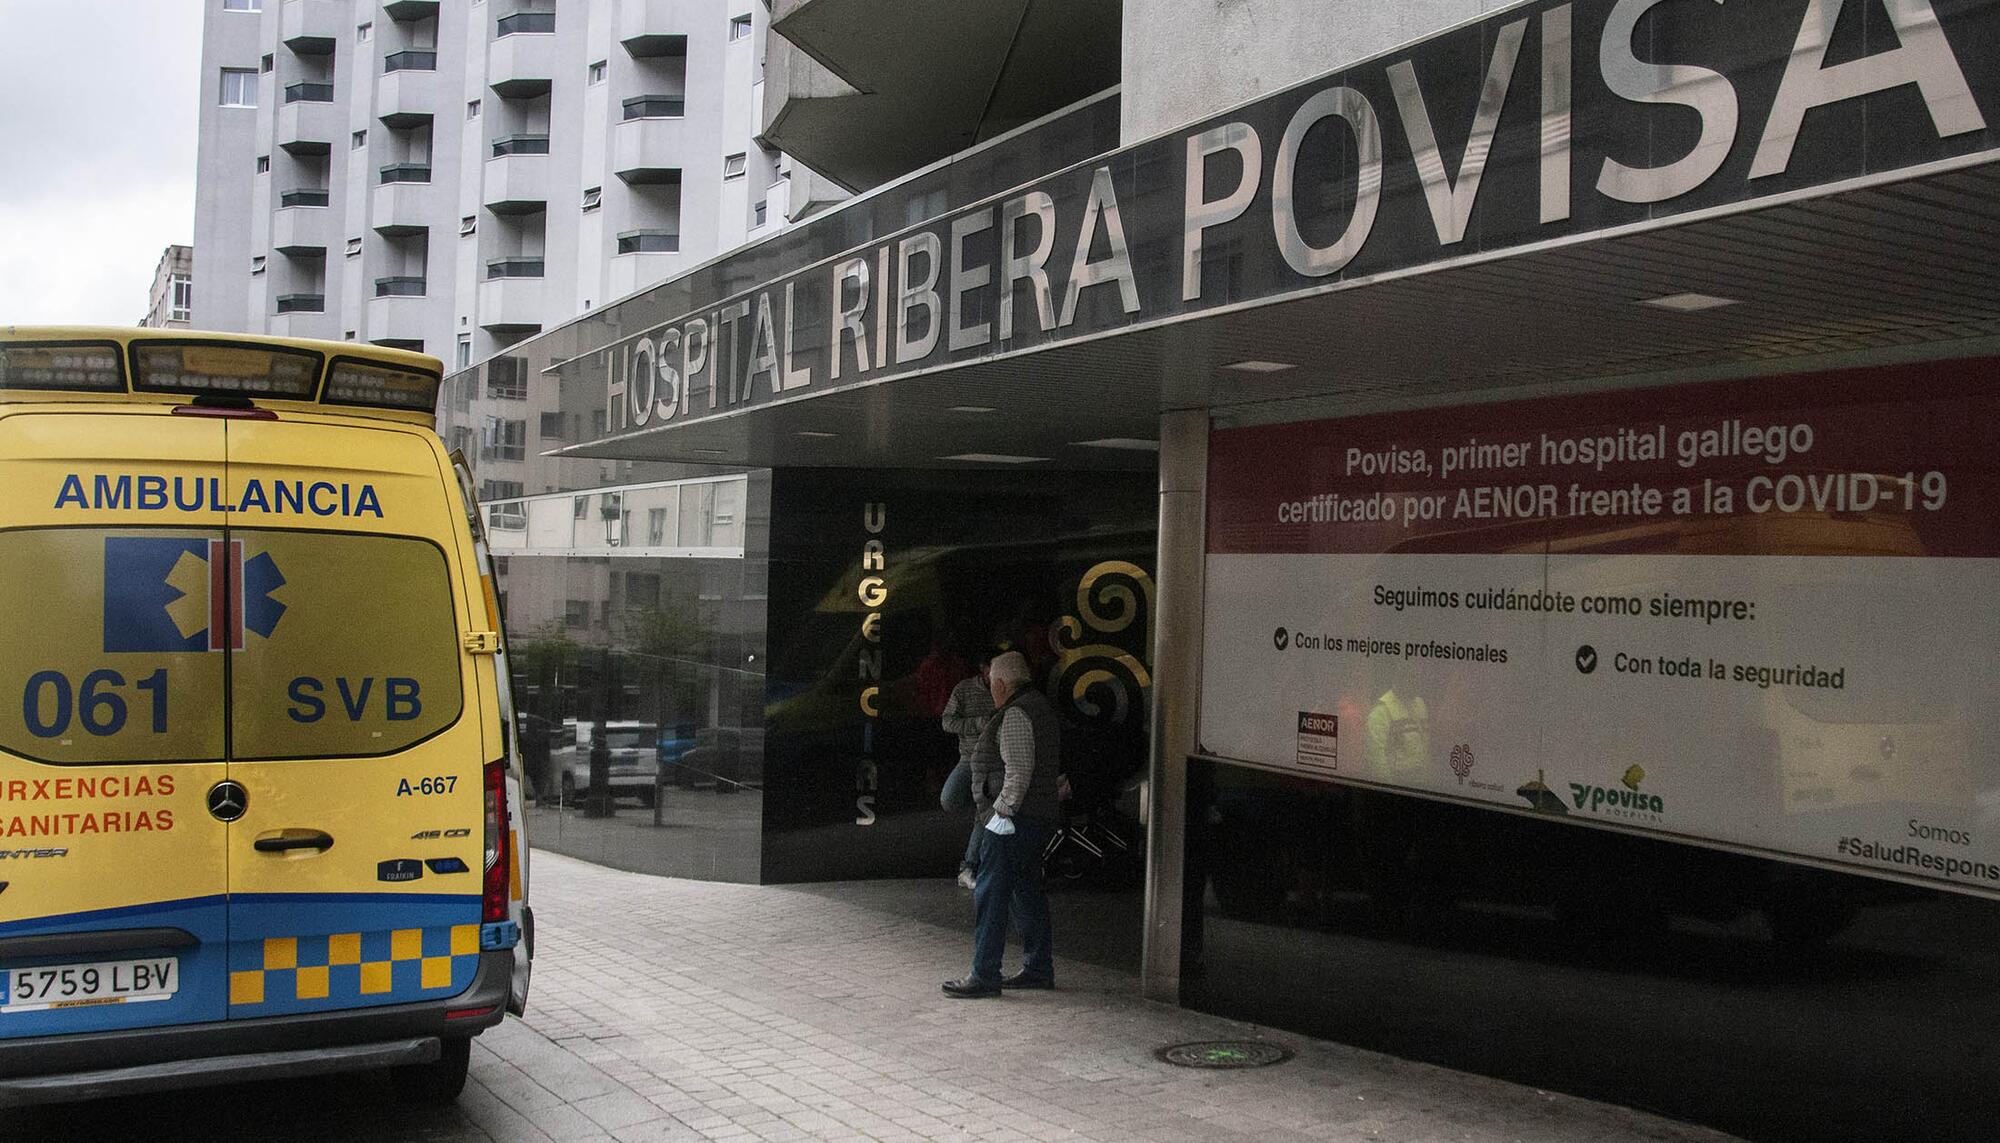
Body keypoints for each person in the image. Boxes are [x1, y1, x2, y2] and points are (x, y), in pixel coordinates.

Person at [942, 651, 1059, 998]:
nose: (991, 689)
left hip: (1014, 821)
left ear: (1001, 683)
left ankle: (984, 974)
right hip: (1034, 818)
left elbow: (1018, 771)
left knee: (991, 894)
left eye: (993, 683)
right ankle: (1038, 968)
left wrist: (999, 817)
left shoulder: (1017, 712)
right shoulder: (1037, 706)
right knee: (1026, 893)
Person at [939, 652, 996, 890]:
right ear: (983, 668)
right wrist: (978, 723)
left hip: (994, 761)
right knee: (949, 799)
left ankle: (968, 866)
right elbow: (947, 721)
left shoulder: (1004, 690)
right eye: (992, 669)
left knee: (984, 813)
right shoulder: (964, 689)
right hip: (969, 758)